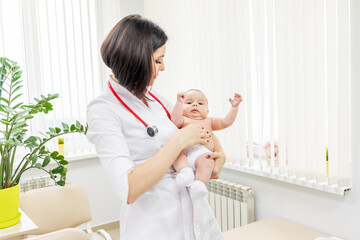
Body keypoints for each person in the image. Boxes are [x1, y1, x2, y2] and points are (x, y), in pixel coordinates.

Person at [86, 15, 225, 240]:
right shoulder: (103, 110)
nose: (163, 67)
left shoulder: (156, 99)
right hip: (154, 226)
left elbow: (194, 124)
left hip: (193, 219)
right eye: (158, 60)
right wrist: (178, 142)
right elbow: (128, 189)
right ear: (137, 59)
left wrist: (220, 155)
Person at [172, 90, 242, 200]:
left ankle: (199, 185)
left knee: (208, 162)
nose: (195, 104)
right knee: (176, 154)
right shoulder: (183, 120)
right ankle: (185, 172)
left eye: (200, 103)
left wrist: (234, 108)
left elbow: (226, 122)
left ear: (207, 111)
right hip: (185, 151)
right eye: (189, 103)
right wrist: (179, 103)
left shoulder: (208, 121)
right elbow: (175, 120)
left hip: (201, 153)